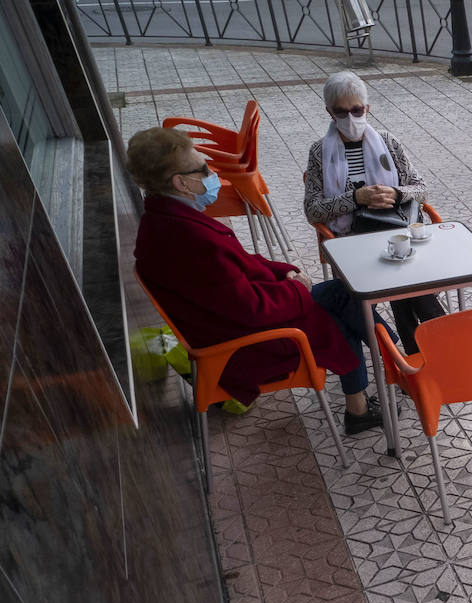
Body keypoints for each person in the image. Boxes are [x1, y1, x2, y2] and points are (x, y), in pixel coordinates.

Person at [129, 126, 387, 434]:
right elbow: (250, 309)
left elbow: (240, 265)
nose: (212, 174)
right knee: (341, 307)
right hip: (245, 344)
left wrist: (283, 271)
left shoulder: (166, 220)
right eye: (203, 169)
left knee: (344, 296)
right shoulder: (188, 238)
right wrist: (294, 286)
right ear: (181, 183)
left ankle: (384, 371)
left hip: (233, 325)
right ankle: (391, 367)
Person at [304, 70, 445, 355]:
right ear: (330, 112)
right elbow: (313, 211)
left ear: (367, 108)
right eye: (341, 112)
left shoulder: (387, 142)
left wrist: (396, 193)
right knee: (404, 278)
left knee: (400, 273)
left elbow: (420, 188)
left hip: (395, 231)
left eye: (356, 110)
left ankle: (416, 356)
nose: (350, 119)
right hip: (352, 241)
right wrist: (356, 198)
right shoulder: (320, 152)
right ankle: (443, 342)